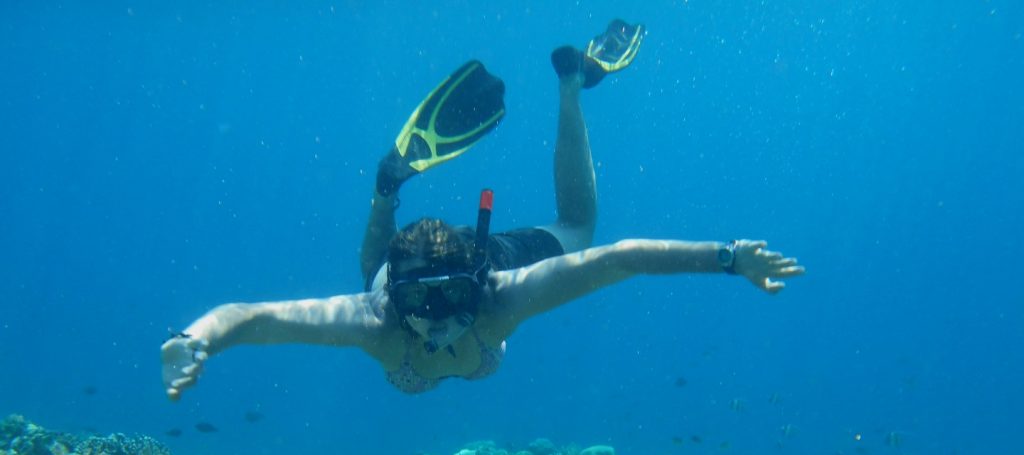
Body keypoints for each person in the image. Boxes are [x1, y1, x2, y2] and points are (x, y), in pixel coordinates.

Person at [161, 20, 803, 399]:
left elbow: (624, 258)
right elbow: (249, 318)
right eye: (424, 311)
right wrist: (200, 340)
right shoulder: (382, 314)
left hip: (478, 255)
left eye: (448, 309)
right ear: (400, 304)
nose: (437, 328)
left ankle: (569, 84)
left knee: (579, 227)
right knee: (372, 269)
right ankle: (394, 185)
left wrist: (728, 258)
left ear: (476, 292)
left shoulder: (498, 292)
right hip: (411, 266)